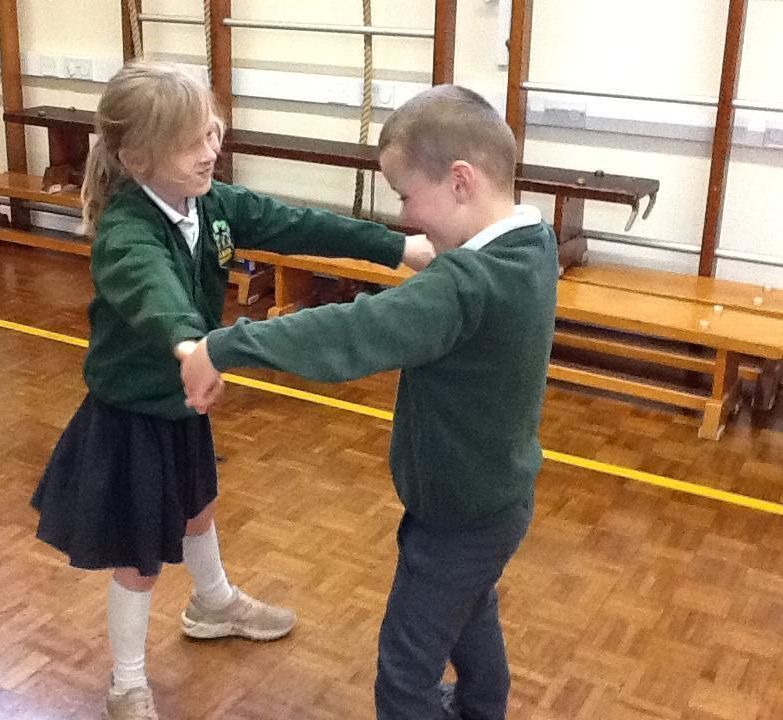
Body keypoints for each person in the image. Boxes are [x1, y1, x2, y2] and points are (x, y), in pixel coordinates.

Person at [30, 59, 435, 720]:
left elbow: (297, 224)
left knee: (199, 508)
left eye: (212, 133)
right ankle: (127, 682)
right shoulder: (128, 230)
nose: (209, 151)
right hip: (131, 415)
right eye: (191, 143)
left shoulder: (212, 205)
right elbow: (152, 289)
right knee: (139, 560)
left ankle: (213, 603)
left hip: (181, 403)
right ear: (137, 160)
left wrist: (397, 248)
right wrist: (192, 347)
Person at [178, 84, 558, 720]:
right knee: (470, 614)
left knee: (405, 675)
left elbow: (353, 333)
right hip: (494, 501)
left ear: (460, 181)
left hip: (455, 518)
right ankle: (481, 708)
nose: (406, 216)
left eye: (407, 196)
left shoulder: (467, 283)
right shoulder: (532, 243)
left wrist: (225, 345)